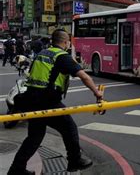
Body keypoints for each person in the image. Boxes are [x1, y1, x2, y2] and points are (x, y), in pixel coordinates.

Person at [8, 29, 103, 175]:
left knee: (34, 137)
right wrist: (97, 93)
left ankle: (16, 169)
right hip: (47, 101)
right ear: (65, 42)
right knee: (69, 128)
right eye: (68, 42)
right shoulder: (62, 56)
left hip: (31, 99)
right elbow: (84, 76)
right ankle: (74, 160)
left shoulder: (42, 54)